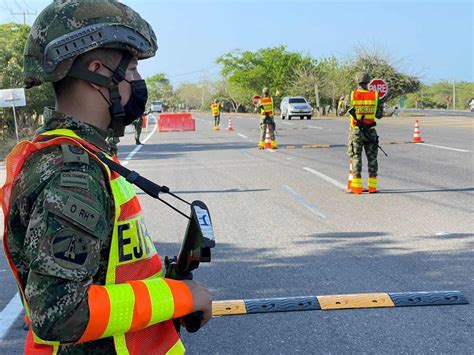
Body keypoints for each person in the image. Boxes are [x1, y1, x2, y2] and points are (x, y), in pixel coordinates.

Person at [0, 1, 212, 354]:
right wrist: (178, 296)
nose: (139, 83)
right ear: (98, 71)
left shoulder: (85, 155)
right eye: (131, 70)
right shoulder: (73, 173)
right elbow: (60, 313)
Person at [347, 73, 383, 194]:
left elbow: (342, 111)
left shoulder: (352, 95)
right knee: (372, 158)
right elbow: (379, 115)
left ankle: (357, 187)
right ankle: (372, 187)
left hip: (356, 131)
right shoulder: (375, 95)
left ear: (357, 81)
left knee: (356, 156)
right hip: (371, 131)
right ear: (368, 82)